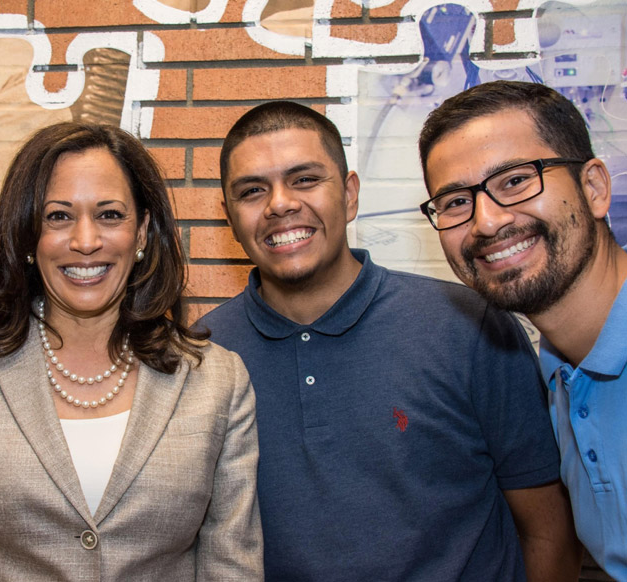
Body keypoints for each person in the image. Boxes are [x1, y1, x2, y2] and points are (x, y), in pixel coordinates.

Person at [198, 100, 582, 581]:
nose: (280, 204)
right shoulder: (201, 353)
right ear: (229, 215)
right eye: (252, 190)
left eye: (305, 179)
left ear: (350, 194)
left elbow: (548, 529)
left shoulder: (467, 324)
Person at [0, 122, 262, 580]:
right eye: (58, 216)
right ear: (28, 235)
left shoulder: (216, 380)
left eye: (110, 215)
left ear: (142, 232)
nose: (86, 240)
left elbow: (232, 567)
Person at [419, 80, 627, 580]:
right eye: (455, 202)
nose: (486, 222)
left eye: (514, 180)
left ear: (594, 188)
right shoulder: (556, 379)